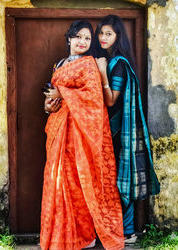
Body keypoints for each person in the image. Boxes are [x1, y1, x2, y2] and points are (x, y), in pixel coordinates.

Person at [40, 20, 124, 250]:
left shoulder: (89, 65)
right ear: (69, 38)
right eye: (78, 37)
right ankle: (60, 235)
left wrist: (62, 92)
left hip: (80, 133)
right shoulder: (59, 63)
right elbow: (52, 103)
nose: (83, 42)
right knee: (57, 181)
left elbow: (95, 100)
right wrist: (49, 104)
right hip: (58, 130)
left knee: (79, 183)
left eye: (87, 38)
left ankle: (84, 237)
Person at [94, 15, 160, 242]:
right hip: (110, 130)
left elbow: (111, 100)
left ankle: (129, 230)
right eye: (101, 33)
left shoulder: (118, 64)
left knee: (121, 179)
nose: (103, 37)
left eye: (108, 34)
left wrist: (102, 72)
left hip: (117, 131)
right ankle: (120, 229)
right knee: (115, 178)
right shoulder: (111, 59)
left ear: (117, 36)